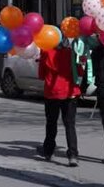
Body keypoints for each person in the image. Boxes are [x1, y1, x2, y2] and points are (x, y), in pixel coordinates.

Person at [36, 39, 81, 167]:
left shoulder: (46, 51)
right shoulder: (72, 53)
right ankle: (73, 155)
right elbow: (79, 71)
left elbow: (41, 74)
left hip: (52, 92)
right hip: (70, 91)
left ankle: (49, 151)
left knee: (51, 123)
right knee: (70, 125)